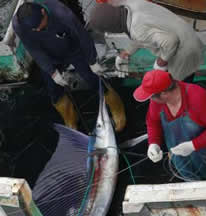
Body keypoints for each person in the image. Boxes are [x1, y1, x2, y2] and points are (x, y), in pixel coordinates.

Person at [12, 0, 126, 131]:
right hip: (49, 55)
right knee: (54, 91)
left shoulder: (61, 13)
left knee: (93, 78)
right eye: (34, 29)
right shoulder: (19, 25)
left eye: (39, 26)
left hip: (73, 50)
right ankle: (70, 120)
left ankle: (117, 109)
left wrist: (92, 61)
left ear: (43, 12)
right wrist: (52, 71)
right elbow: (34, 49)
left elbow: (82, 36)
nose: (37, 30)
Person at [88, 0, 204, 82]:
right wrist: (126, 52)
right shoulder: (132, 4)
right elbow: (144, 31)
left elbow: (171, 41)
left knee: (179, 85)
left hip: (186, 52)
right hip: (188, 35)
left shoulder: (136, 29)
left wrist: (160, 62)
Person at [133, 69, 206, 180]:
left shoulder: (197, 97)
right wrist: (153, 143)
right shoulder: (157, 101)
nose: (151, 100)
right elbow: (153, 122)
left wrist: (193, 145)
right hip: (182, 159)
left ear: (164, 93)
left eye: (152, 96)